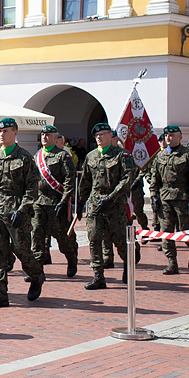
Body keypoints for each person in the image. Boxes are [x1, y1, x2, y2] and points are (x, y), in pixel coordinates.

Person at [0, 118, 43, 307]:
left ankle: (36, 275)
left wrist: (23, 210)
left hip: (17, 208)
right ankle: (0, 291)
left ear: (15, 133)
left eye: (6, 131)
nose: (2, 134)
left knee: (21, 250)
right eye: (0, 131)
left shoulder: (24, 157)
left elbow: (33, 187)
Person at [77, 123, 138, 290]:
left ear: (111, 136)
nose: (99, 137)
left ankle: (128, 265)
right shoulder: (91, 156)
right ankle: (98, 276)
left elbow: (126, 180)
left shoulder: (122, 155)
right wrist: (81, 202)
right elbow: (85, 181)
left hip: (115, 205)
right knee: (94, 239)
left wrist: (110, 198)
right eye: (97, 135)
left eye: (103, 134)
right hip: (96, 204)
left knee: (119, 240)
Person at [148, 124, 189, 275]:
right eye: (166, 136)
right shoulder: (160, 155)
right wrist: (153, 195)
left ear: (180, 137)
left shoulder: (188, 155)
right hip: (164, 198)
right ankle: (172, 262)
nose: (168, 138)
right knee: (166, 232)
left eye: (172, 135)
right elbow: (154, 177)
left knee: (186, 230)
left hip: (182, 197)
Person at [32, 124, 79, 277]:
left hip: (56, 202)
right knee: (37, 234)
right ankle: (37, 269)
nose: (44, 137)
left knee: (61, 236)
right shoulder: (37, 156)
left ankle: (71, 258)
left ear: (55, 138)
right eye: (43, 135)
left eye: (48, 135)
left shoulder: (62, 156)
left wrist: (64, 201)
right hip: (39, 202)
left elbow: (69, 179)